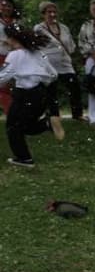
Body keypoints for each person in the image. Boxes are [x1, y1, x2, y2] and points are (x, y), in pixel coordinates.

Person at [1, 25, 57, 168]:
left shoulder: (14, 55)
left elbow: (3, 77)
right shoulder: (38, 53)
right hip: (41, 94)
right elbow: (53, 74)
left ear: (12, 39)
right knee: (26, 126)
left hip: (25, 95)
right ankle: (47, 124)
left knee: (13, 127)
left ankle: (24, 158)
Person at [34, 1, 80, 137]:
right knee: (51, 92)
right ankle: (54, 117)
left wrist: (67, 49)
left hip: (65, 63)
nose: (52, 14)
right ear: (43, 14)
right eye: (49, 12)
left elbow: (71, 45)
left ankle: (77, 114)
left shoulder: (64, 28)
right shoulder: (39, 28)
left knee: (74, 87)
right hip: (49, 65)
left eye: (54, 12)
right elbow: (38, 45)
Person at [0, 0, 20, 116]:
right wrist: (5, 41)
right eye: (3, 5)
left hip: (18, 56)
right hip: (1, 56)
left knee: (19, 85)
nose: (6, 8)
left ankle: (21, 112)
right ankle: (12, 113)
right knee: (3, 86)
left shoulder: (17, 22)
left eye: (9, 6)